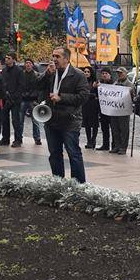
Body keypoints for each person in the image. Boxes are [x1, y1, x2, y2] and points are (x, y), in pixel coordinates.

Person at [36, 46, 90, 182]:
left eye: (57, 57)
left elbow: (83, 96)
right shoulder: (51, 73)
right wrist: (46, 74)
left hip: (70, 120)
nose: (54, 59)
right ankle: (58, 182)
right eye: (53, 56)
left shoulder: (78, 75)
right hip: (51, 119)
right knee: (54, 154)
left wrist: (62, 97)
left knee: (73, 153)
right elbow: (36, 85)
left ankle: (78, 184)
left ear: (66, 59)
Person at [0, 54, 24, 146]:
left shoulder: (19, 71)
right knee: (4, 119)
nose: (6, 60)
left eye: (9, 58)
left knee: (15, 120)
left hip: (15, 100)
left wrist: (14, 96)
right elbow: (2, 83)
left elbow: (21, 86)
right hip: (5, 99)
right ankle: (5, 139)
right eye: (5, 58)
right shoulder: (4, 71)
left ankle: (18, 139)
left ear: (13, 60)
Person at [110, 67, 134, 154]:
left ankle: (123, 147)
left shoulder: (129, 85)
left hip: (124, 110)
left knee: (124, 130)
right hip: (115, 110)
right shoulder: (115, 84)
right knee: (115, 129)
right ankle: (117, 146)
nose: (119, 75)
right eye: (118, 73)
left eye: (121, 73)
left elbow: (133, 97)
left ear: (125, 73)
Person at [18, 59, 42, 146]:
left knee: (35, 120)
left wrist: (36, 98)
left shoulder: (36, 75)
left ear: (32, 65)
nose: (28, 64)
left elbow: (38, 88)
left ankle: (37, 138)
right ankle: (19, 138)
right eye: (26, 63)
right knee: (20, 121)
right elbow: (19, 86)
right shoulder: (21, 74)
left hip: (33, 100)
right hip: (23, 99)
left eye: (29, 63)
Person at [81, 66, 101, 150]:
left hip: (93, 106)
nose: (86, 73)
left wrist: (94, 89)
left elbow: (97, 95)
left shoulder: (95, 82)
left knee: (94, 124)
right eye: (85, 72)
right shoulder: (82, 82)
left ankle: (93, 140)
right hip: (85, 105)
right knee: (87, 124)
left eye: (88, 72)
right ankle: (89, 140)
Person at [95, 67, 115, 152]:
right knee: (104, 128)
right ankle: (105, 144)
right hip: (103, 109)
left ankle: (114, 145)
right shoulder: (100, 84)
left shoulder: (114, 83)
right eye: (103, 73)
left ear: (109, 75)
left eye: (106, 73)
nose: (104, 75)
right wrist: (96, 88)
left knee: (113, 128)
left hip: (111, 110)